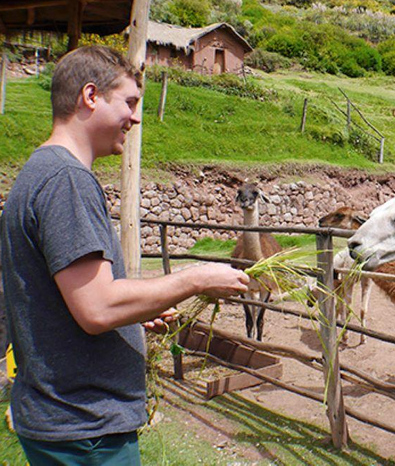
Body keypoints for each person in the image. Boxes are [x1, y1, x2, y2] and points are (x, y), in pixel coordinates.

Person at [0, 46, 250, 465]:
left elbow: (70, 296)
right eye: (129, 103)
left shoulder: (41, 172)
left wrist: (134, 309)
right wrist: (196, 279)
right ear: (90, 96)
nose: (135, 118)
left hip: (62, 419)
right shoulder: (66, 180)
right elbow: (97, 309)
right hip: (86, 427)